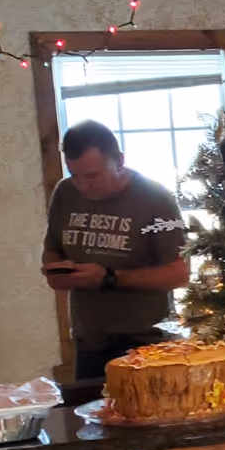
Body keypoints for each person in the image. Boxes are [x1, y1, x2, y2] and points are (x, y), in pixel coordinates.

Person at [42, 121, 190, 379]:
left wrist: (110, 277)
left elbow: (179, 273)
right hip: (89, 341)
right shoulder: (65, 193)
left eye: (92, 176)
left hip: (147, 343)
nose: (82, 185)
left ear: (119, 161)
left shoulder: (157, 198)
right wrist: (57, 272)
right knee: (92, 417)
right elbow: (53, 250)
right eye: (74, 175)